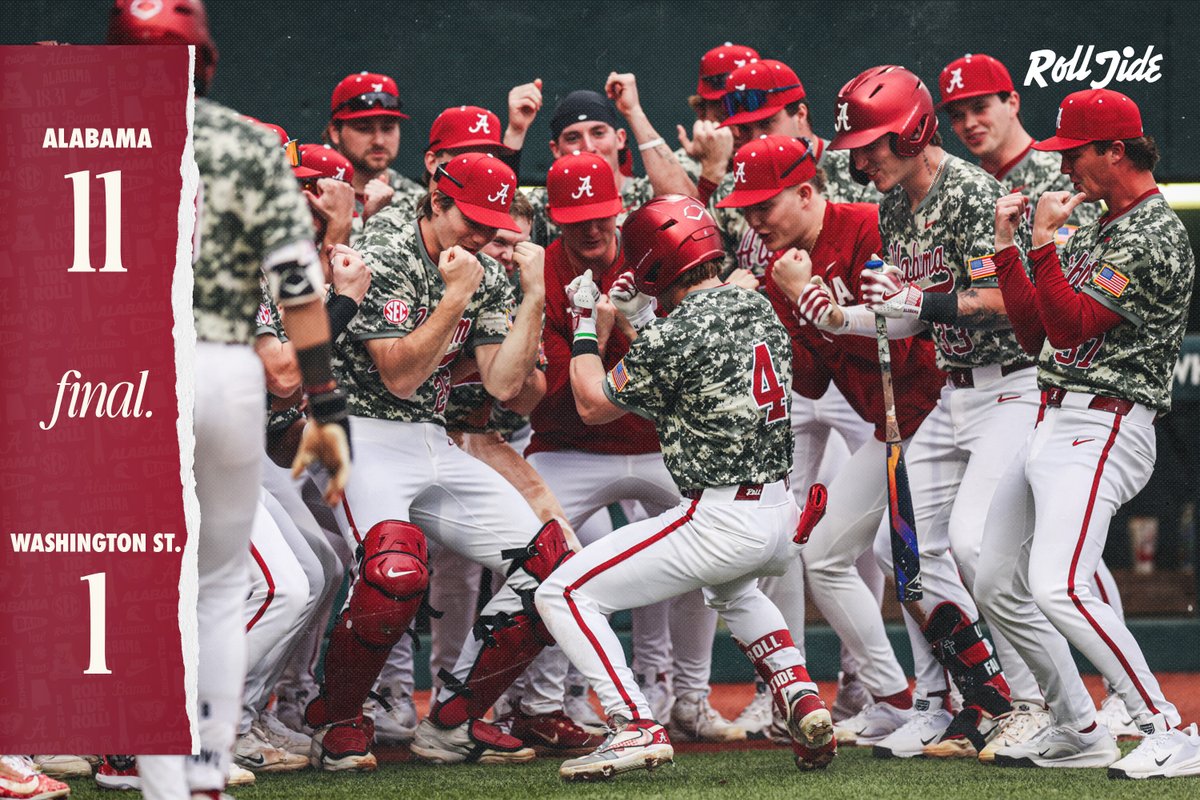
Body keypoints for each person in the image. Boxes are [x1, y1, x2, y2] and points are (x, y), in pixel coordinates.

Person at [108, 2, 352, 798]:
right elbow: (298, 285)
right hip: (222, 371)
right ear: (206, 62)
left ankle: (155, 776)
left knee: (157, 589)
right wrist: (327, 403)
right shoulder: (249, 144)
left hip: (129, 379)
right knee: (220, 592)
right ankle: (204, 770)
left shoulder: (86, 140)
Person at [536, 194, 836, 781]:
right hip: (780, 513)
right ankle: (800, 695)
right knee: (734, 592)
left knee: (564, 593)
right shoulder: (756, 305)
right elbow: (693, 366)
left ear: (656, 262)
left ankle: (633, 724)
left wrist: (585, 325)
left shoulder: (676, 335)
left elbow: (593, 403)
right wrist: (644, 317)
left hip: (722, 517)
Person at [309, 152, 567, 770]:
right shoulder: (387, 249)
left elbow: (505, 385)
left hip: (433, 437)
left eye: (490, 225)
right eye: (470, 220)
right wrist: (456, 297)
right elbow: (398, 377)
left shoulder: (486, 270)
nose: (480, 236)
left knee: (554, 570)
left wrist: (533, 295)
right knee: (393, 571)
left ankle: (453, 720)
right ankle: (336, 720)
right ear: (436, 199)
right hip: (360, 432)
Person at [978, 88, 1199, 777]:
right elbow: (1037, 332)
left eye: (1075, 153)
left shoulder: (1154, 232)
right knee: (995, 579)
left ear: (1116, 151)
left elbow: (1074, 328)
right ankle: (1077, 726)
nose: (1064, 166)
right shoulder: (1103, 224)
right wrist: (1011, 248)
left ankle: (1166, 727)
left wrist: (1044, 243)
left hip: (1105, 422)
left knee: (1058, 585)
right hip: (1054, 416)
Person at [823, 63, 1028, 759]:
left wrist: (922, 302)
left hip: (1014, 385)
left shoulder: (972, 192)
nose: (862, 160)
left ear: (911, 131)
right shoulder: (891, 206)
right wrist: (843, 317)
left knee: (974, 545)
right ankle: (982, 697)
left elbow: (1008, 301)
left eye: (872, 144)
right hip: (955, 390)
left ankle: (1029, 702)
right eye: (857, 149)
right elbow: (907, 318)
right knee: (899, 551)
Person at [716, 134, 946, 750]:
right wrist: (759, 321)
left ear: (806, 192)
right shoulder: (781, 267)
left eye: (764, 205)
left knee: (921, 559)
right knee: (824, 553)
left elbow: (905, 344)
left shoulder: (870, 227)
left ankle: (973, 696)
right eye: (745, 209)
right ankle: (894, 699)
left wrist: (809, 302)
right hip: (890, 427)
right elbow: (812, 380)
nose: (754, 220)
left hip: (940, 413)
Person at [939, 51, 1137, 747]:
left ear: (1012, 101)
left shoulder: (1058, 176)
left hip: (1053, 382)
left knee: (1058, 551)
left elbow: (1069, 308)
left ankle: (1116, 696)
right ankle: (1044, 701)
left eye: (981, 106)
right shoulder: (967, 185)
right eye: (957, 113)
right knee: (1027, 549)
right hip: (995, 383)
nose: (970, 122)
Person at [527, 76, 696, 246]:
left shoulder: (643, 195)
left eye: (598, 133)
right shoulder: (544, 204)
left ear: (620, 138)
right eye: (573, 138)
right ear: (556, 149)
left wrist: (634, 112)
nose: (588, 146)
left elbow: (689, 212)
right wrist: (516, 131)